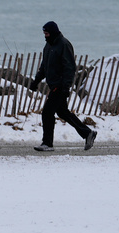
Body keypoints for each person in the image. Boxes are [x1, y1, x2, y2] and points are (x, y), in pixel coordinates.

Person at [29, 21, 96, 152]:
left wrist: (66, 87)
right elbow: (44, 67)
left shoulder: (64, 45)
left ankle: (47, 143)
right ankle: (87, 133)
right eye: (44, 33)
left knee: (47, 113)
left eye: (47, 33)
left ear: (53, 32)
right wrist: (36, 81)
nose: (45, 36)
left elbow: (69, 68)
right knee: (63, 112)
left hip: (59, 86)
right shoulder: (48, 46)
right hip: (53, 84)